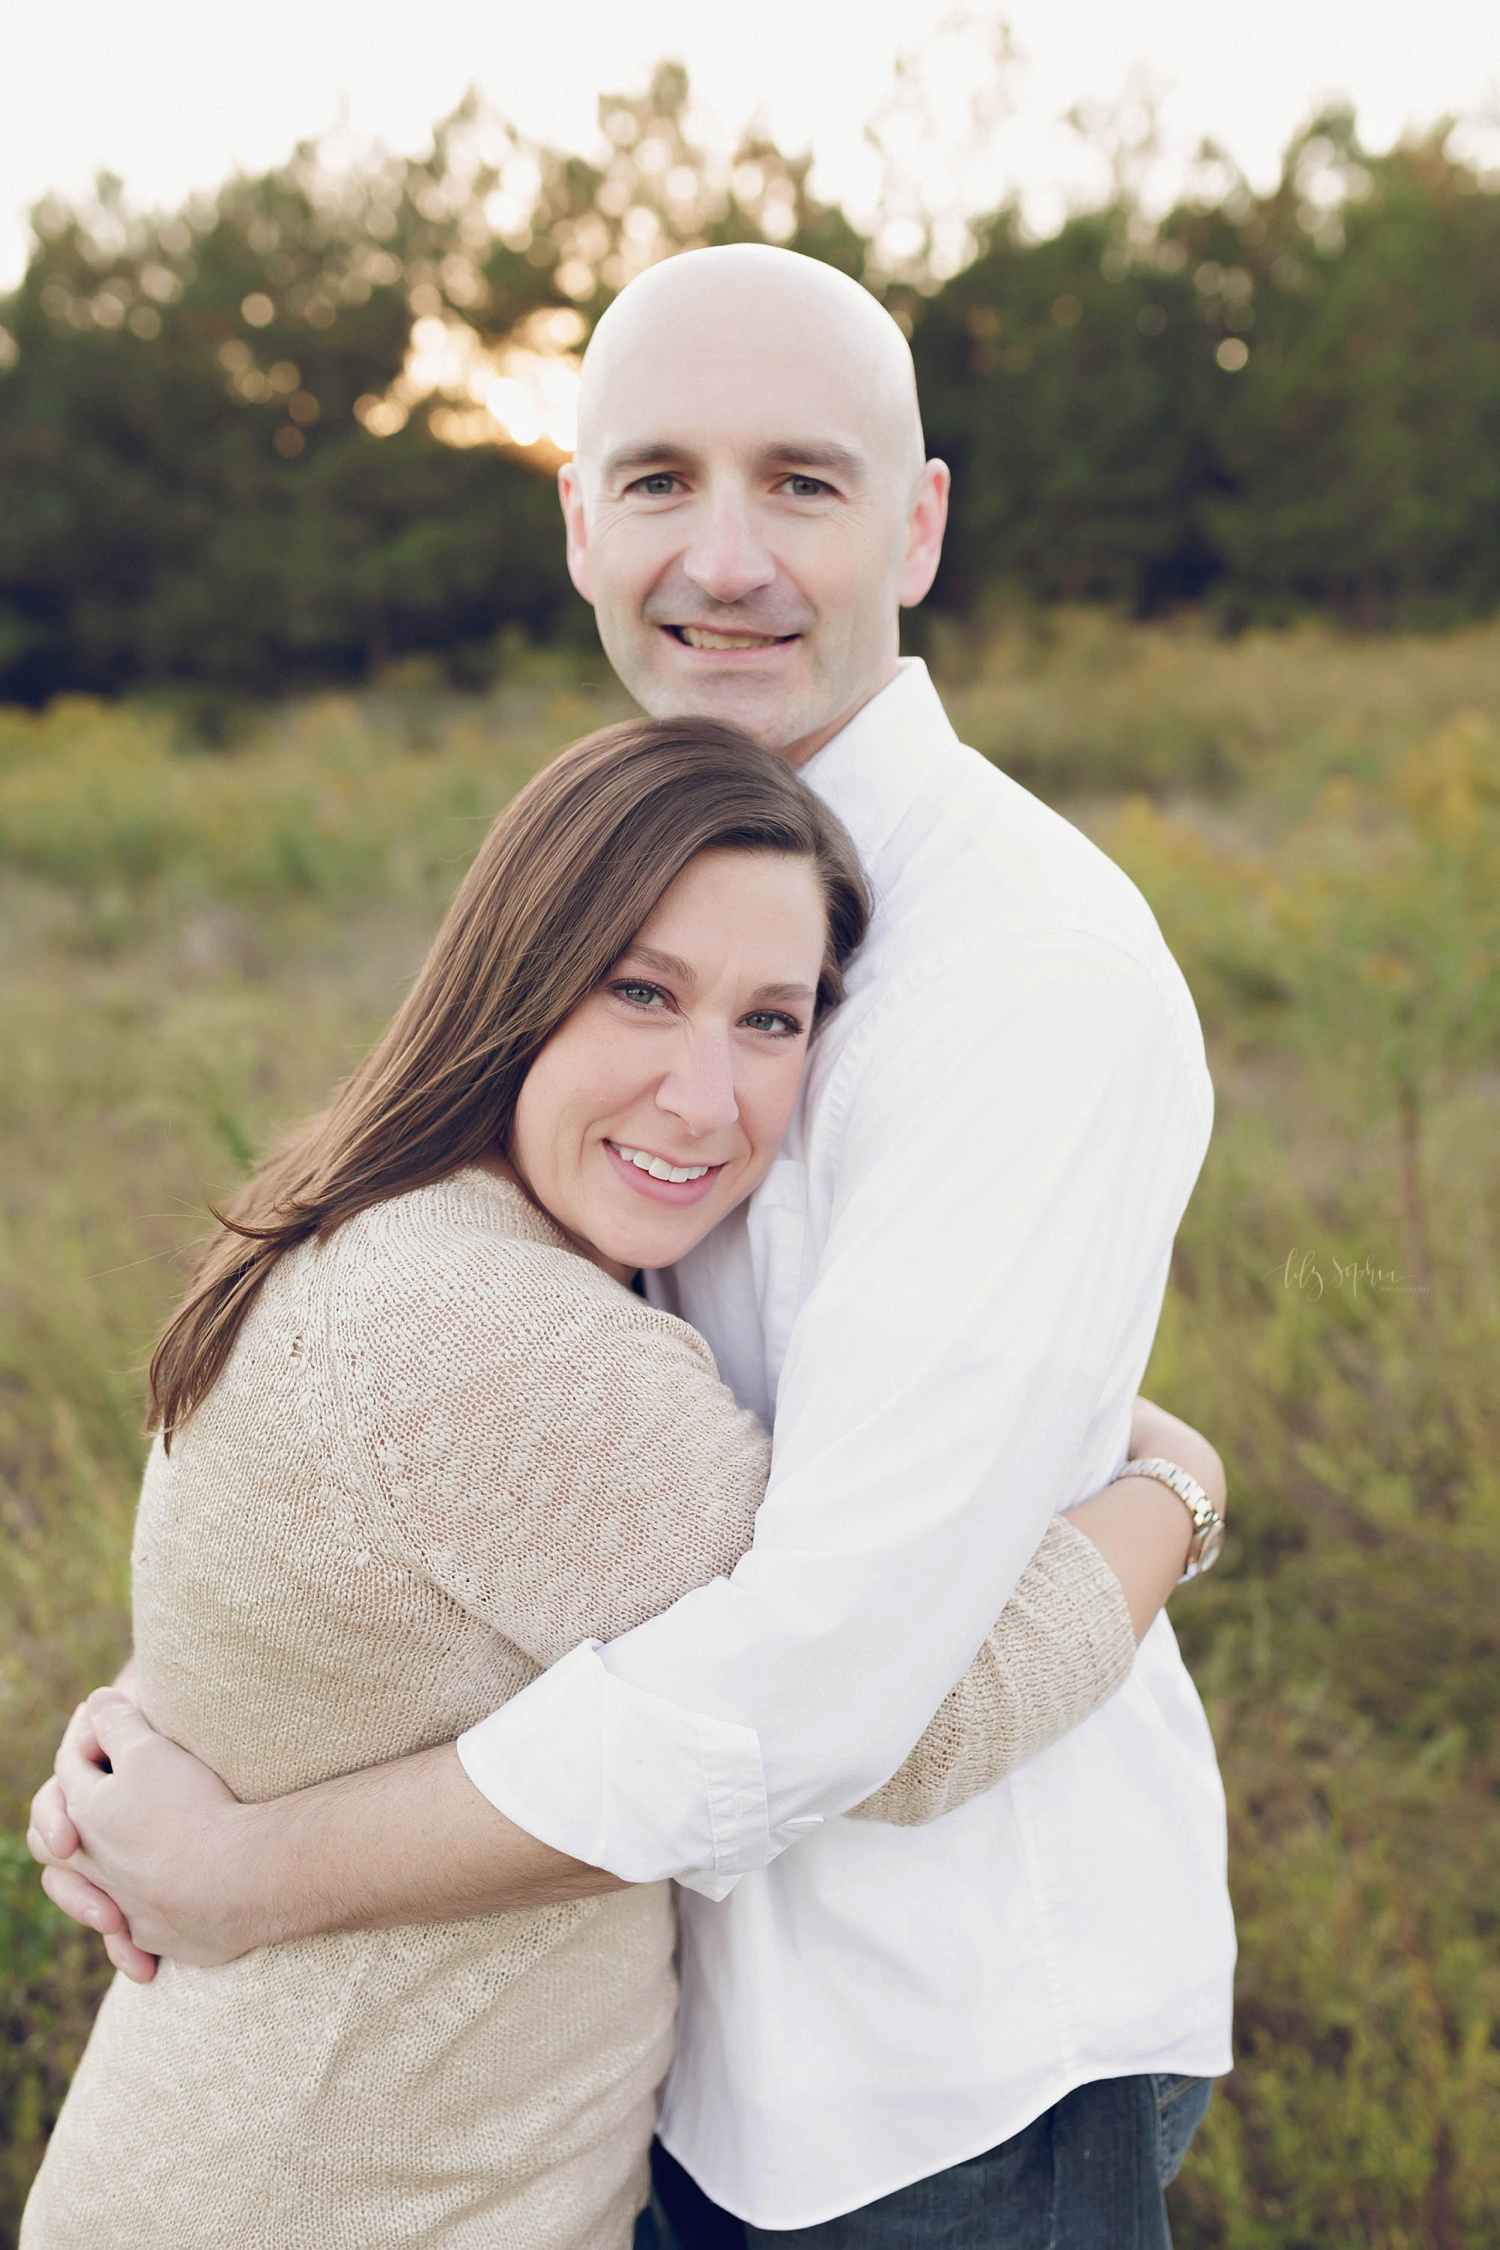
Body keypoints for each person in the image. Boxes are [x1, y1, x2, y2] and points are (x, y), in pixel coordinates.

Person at [32, 245, 1234, 2247]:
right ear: (578, 521)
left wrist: (256, 1862)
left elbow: (855, 1690)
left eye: (807, 484)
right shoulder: (653, 875)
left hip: (933, 2071)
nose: (730, 556)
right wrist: (200, 1730)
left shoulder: (1024, 969)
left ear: (919, 525)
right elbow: (464, 1442)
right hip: (669, 2045)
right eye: (661, 480)